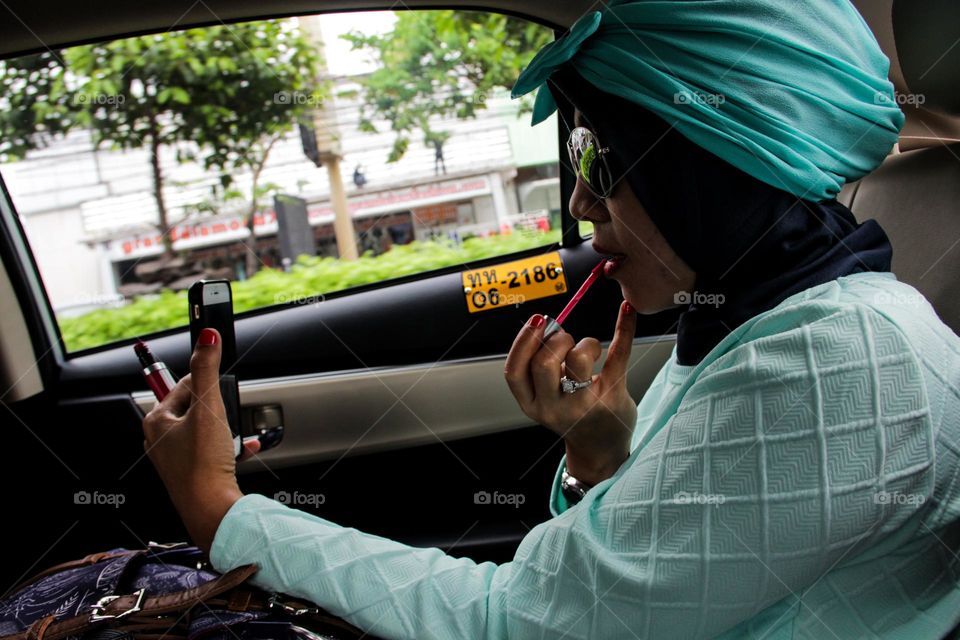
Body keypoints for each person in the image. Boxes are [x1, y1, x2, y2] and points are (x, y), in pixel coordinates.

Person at [142, 1, 960, 638]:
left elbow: (519, 621)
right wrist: (598, 459)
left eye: (600, 160)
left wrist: (221, 510)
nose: (578, 201)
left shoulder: (834, 361)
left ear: (707, 169)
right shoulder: (764, 319)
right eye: (576, 159)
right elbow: (650, 574)